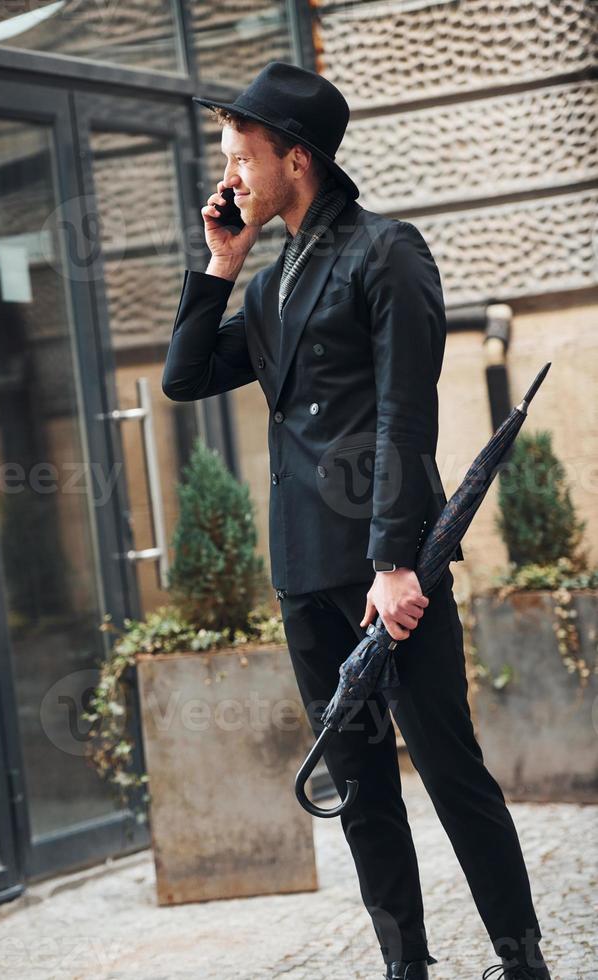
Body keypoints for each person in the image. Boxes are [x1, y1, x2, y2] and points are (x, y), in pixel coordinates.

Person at [162, 61, 551, 980]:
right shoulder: (265, 287)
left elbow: (403, 417)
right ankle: (403, 966)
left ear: (297, 160)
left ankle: (522, 960)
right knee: (362, 785)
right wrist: (221, 260)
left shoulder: (387, 250)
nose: (229, 177)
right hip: (303, 569)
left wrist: (395, 564)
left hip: (388, 569)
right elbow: (183, 377)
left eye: (242, 157)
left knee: (450, 772)